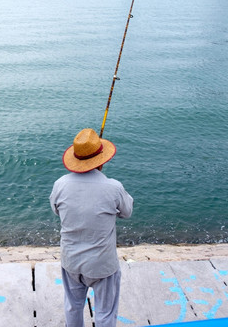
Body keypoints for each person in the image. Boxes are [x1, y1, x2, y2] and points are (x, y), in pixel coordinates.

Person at [49, 128, 133, 327]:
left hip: (71, 260)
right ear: (101, 159)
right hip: (102, 264)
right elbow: (127, 212)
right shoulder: (113, 187)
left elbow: (56, 210)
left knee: (73, 306)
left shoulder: (60, 184)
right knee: (105, 312)